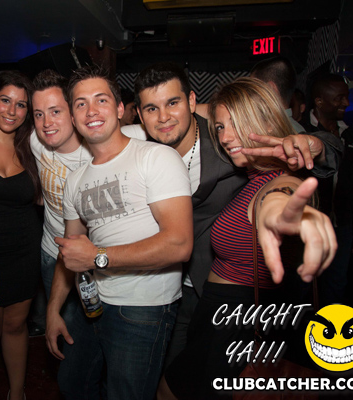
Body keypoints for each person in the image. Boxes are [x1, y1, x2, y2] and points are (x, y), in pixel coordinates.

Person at [129, 62, 340, 369]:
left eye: (173, 103)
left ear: (190, 101)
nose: (227, 137)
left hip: (236, 309)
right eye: (220, 127)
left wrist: (281, 206)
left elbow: (280, 190)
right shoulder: (240, 164)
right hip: (188, 295)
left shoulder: (271, 173)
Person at [46, 65, 193, 400]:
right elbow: (71, 251)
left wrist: (97, 257)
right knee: (72, 384)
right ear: (73, 117)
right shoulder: (75, 180)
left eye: (101, 100)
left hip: (143, 307)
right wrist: (53, 310)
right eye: (81, 104)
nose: (91, 111)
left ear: (120, 109)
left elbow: (179, 243)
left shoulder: (156, 157)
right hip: (92, 305)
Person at [30, 70, 147, 323]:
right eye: (38, 114)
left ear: (73, 114)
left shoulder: (103, 142)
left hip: (99, 255)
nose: (46, 122)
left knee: (97, 325)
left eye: (55, 111)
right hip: (53, 252)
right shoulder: (36, 142)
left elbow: (163, 123)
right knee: (62, 324)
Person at [0, 71, 42, 400]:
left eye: (21, 105)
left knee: (16, 325)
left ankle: (17, 393)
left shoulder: (31, 144)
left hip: (24, 249)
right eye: (5, 100)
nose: (12, 111)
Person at [302, 73, 353, 306]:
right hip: (308, 225)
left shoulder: (350, 135)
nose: (346, 103)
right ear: (319, 101)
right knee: (305, 286)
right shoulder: (302, 132)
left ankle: (330, 327)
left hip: (342, 224)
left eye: (346, 97)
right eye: (339, 98)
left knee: (337, 284)